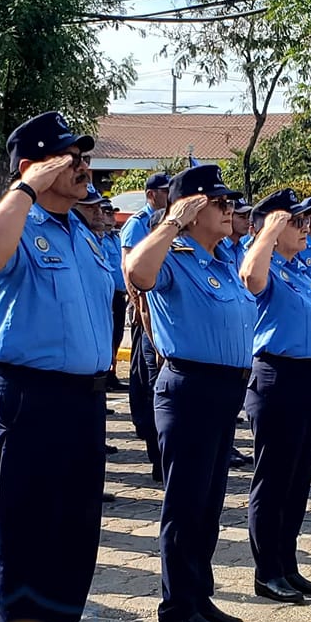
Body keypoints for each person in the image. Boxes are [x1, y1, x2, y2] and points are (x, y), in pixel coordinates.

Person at [0, 111, 114, 622]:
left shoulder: (81, 231)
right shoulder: (6, 220)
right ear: (33, 164)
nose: (82, 169)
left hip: (82, 395)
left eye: (82, 158)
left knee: (75, 527)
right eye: (68, 158)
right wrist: (23, 187)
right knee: (28, 523)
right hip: (27, 392)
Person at [125, 165, 259, 622]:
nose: (230, 211)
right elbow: (137, 273)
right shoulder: (174, 254)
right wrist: (171, 222)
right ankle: (177, 606)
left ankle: (200, 595)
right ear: (194, 208)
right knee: (185, 503)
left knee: (209, 503)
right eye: (220, 204)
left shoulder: (221, 258)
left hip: (224, 391)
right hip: (189, 388)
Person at [241, 191, 311, 605]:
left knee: (297, 477)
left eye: (306, 222)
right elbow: (250, 278)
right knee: (274, 479)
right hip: (276, 376)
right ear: (269, 228)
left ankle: (287, 563)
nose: (306, 228)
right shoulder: (264, 268)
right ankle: (267, 571)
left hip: (309, 376)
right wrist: (267, 232)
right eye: (295, 222)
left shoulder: (299, 271)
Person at [120, 171, 173, 481]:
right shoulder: (139, 223)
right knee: (148, 378)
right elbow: (130, 268)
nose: (169, 196)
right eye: (164, 191)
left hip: (154, 308)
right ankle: (154, 448)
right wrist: (137, 305)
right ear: (151, 193)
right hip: (143, 308)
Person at [99, 197, 126, 386]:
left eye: (112, 213)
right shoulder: (98, 238)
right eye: (107, 213)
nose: (111, 217)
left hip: (119, 294)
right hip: (107, 295)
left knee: (117, 334)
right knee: (107, 334)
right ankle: (105, 373)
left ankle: (112, 372)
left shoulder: (116, 238)